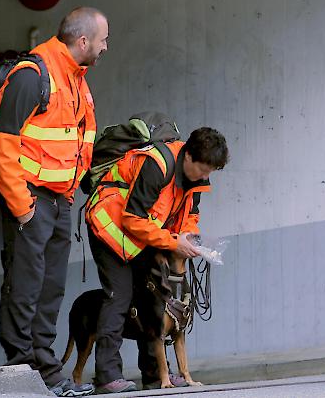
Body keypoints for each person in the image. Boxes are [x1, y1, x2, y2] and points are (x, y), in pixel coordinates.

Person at [0, 7, 108, 397]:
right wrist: (23, 207)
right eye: (103, 39)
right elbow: (2, 145)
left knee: (52, 285)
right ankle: (23, 365)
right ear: (84, 41)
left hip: (59, 200)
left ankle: (46, 366)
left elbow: (79, 143)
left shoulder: (76, 80)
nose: (107, 47)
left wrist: (69, 192)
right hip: (31, 198)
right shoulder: (32, 75)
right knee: (26, 284)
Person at [84, 127, 229, 393]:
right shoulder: (157, 165)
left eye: (211, 171)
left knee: (153, 299)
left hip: (142, 238)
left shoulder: (195, 179)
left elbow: (189, 216)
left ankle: (155, 375)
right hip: (109, 228)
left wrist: (190, 238)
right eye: (204, 169)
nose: (206, 176)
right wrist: (174, 243)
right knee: (118, 296)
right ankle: (107, 376)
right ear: (188, 158)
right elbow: (132, 218)